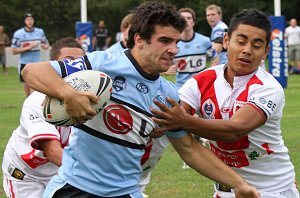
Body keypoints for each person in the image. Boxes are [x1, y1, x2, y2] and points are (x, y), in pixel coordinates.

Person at [22, 2, 260, 198]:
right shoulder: (104, 64)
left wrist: (239, 184)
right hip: (74, 189)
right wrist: (68, 94)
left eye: (176, 42)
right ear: (139, 40)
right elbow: (32, 71)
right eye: (165, 41)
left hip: (126, 192)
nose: (174, 49)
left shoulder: (167, 95)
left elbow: (189, 149)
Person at [150, 8, 300, 198]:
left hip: (273, 190)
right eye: (241, 41)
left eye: (256, 45)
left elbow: (234, 131)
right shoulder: (202, 80)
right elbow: (170, 114)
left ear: (265, 52)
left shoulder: (269, 88)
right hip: (226, 190)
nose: (247, 50)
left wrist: (182, 121)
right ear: (227, 41)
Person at [2, 37, 85, 198]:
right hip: (26, 175)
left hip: (60, 172)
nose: (75, 68)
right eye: (68, 62)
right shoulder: (36, 101)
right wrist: (95, 175)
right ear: (52, 66)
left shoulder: (91, 98)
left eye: (80, 62)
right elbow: (53, 151)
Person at [11, 13, 49, 97]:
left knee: (35, 87)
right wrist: (28, 47)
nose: (30, 21)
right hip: (24, 63)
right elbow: (13, 51)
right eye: (28, 19)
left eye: (31, 19)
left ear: (34, 21)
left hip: (36, 63)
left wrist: (44, 46)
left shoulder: (40, 31)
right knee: (27, 88)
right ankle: (28, 103)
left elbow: (46, 45)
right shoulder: (18, 34)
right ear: (25, 21)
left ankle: (33, 104)